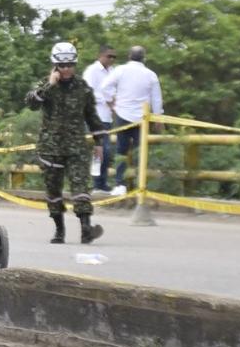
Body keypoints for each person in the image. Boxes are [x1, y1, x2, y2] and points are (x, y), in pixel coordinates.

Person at [28, 41, 107, 244]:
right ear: (55, 65)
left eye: (70, 65)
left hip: (76, 146)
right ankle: (59, 230)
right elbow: (31, 103)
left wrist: (99, 141)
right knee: (53, 190)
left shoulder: (82, 87)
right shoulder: (46, 85)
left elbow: (92, 116)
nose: (66, 69)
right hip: (50, 147)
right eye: (62, 66)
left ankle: (86, 228)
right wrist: (49, 85)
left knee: (81, 186)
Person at [98, 45, 163, 195]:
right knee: (142, 151)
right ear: (144, 57)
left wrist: (111, 102)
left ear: (129, 56)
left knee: (121, 150)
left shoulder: (120, 70)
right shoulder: (150, 74)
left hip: (122, 114)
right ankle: (142, 183)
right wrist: (158, 118)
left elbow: (104, 87)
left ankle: (120, 184)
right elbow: (156, 98)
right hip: (142, 118)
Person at [81, 44, 118, 192]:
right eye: (109, 56)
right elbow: (87, 92)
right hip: (94, 115)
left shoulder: (113, 72)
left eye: (114, 57)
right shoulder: (92, 71)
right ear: (100, 56)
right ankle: (97, 183)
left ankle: (101, 183)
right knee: (101, 150)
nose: (111, 59)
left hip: (107, 117)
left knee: (105, 152)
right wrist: (107, 100)